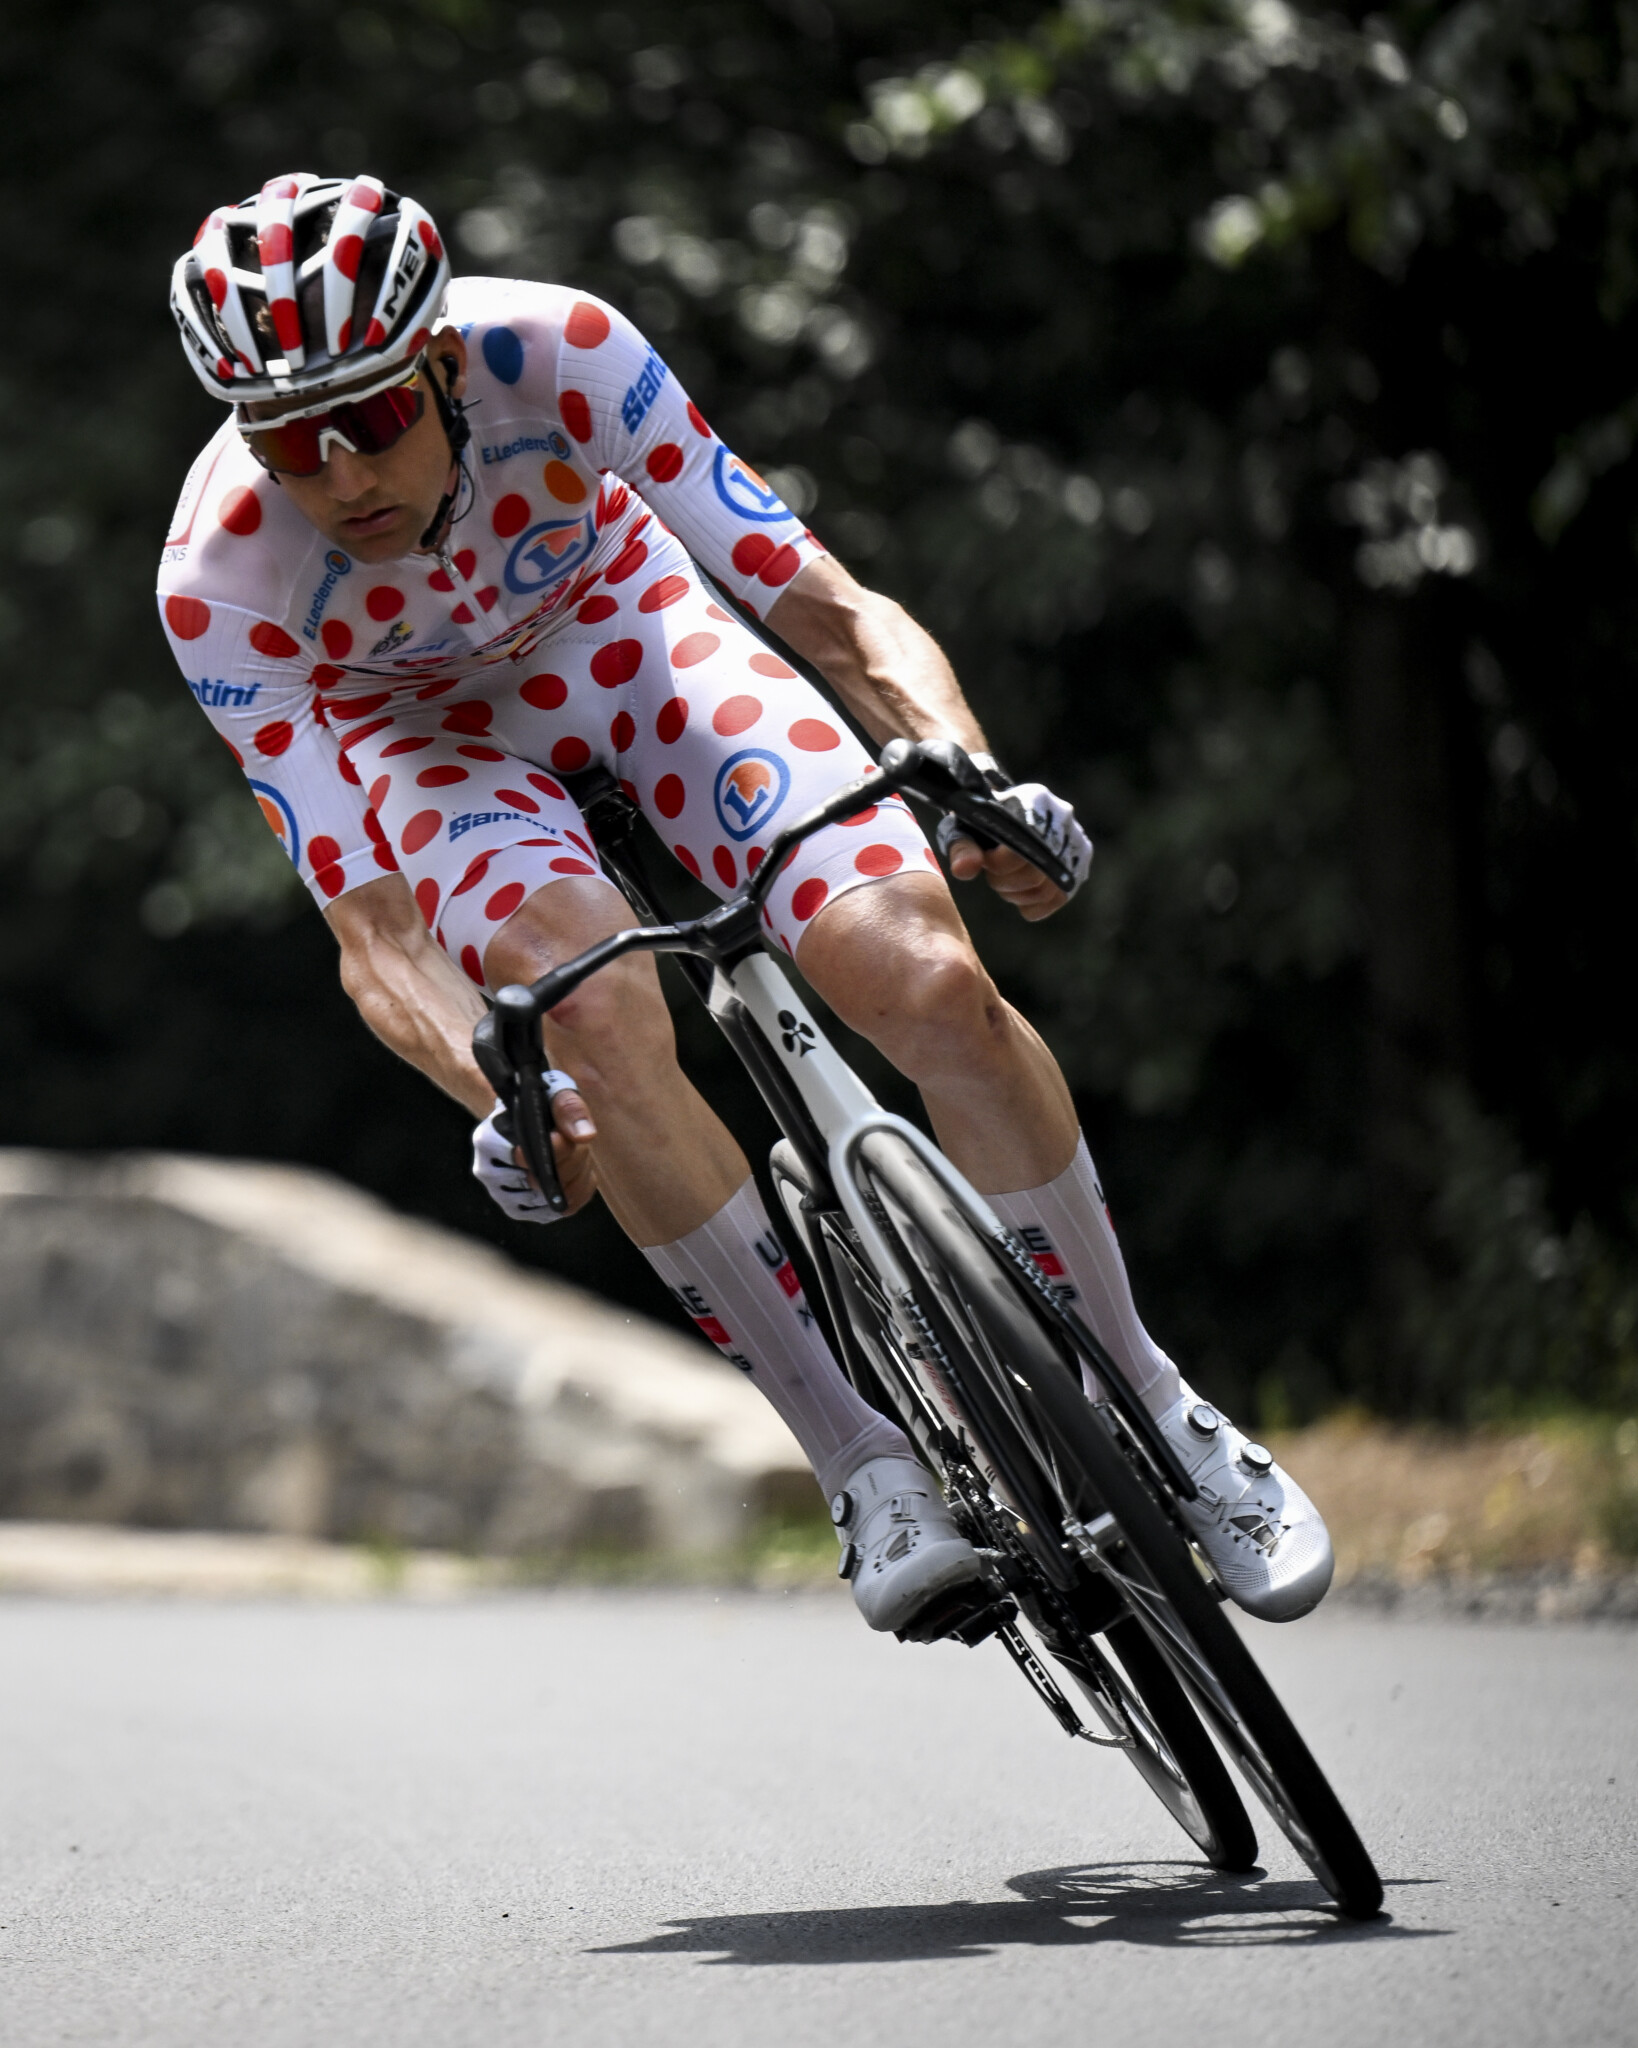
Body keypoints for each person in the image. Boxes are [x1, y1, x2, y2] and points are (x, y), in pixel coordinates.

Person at [159, 173, 1333, 1631]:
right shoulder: (219, 580)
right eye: (289, 439)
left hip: (625, 628)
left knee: (926, 977)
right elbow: (379, 934)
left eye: (376, 415)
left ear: (445, 362)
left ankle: (1154, 1404)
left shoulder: (560, 350)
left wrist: (971, 777)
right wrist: (498, 1087)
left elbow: (826, 607)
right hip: (427, 740)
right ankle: (859, 1460)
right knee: (582, 1021)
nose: (341, 477)